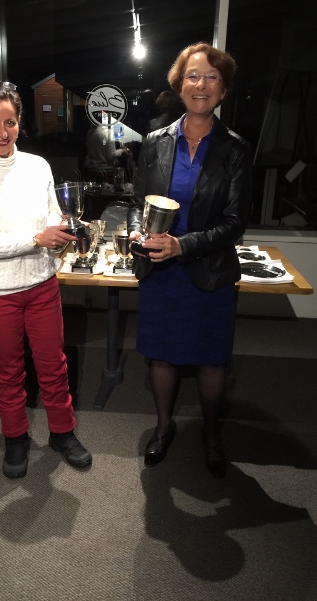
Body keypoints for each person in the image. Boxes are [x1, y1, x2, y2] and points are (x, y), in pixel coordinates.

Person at [0, 79, 92, 479]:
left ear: (19, 123)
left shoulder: (37, 166)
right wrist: (35, 239)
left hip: (42, 284)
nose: (2, 131)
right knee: (9, 369)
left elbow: (50, 216)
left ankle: (62, 432)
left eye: (10, 122)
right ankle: (15, 437)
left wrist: (63, 226)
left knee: (53, 365)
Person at [127, 43, 252, 478]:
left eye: (212, 77)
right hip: (161, 272)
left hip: (210, 271)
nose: (202, 85)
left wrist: (183, 245)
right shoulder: (155, 142)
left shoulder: (235, 148)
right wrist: (138, 234)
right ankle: (164, 427)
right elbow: (139, 203)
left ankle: (212, 434)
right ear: (180, 85)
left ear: (224, 89)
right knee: (161, 357)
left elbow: (235, 223)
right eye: (193, 76)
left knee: (211, 360)